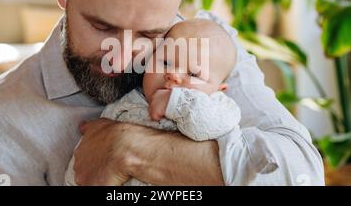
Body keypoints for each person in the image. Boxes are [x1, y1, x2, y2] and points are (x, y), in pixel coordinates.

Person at [0, 0, 325, 186]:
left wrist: (129, 150)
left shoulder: (208, 49)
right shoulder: (0, 112)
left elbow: (303, 174)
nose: (123, 57)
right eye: (102, 26)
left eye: (150, 34)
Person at [65, 19, 242, 186]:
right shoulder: (126, 103)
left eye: (194, 74)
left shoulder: (219, 107)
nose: (173, 74)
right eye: (165, 62)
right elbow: (88, 159)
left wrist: (174, 102)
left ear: (219, 89)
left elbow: (210, 126)